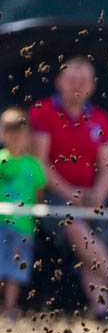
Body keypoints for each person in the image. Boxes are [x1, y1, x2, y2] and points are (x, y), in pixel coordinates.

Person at [28, 55, 108, 319]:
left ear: (92, 86)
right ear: (59, 81)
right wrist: (70, 193)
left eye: (83, 81)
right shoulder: (43, 112)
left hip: (91, 199)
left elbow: (107, 166)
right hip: (53, 196)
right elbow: (40, 163)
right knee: (76, 229)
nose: (77, 86)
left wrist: (98, 197)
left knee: (90, 250)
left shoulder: (101, 119)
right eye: (72, 79)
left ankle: (103, 311)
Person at [0, 108, 46, 320]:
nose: (16, 138)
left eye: (20, 133)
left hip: (23, 228)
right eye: (11, 133)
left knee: (14, 272)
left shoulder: (34, 165)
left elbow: (38, 197)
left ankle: (9, 311)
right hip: (1, 225)